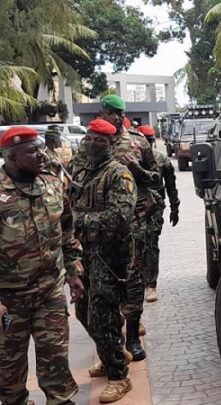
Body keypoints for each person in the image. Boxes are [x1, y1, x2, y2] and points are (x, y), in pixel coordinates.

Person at [71, 94, 160, 361]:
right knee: (101, 293)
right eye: (112, 112)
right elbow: (76, 180)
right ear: (103, 112)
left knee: (132, 283)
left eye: (120, 113)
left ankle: (132, 336)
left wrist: (139, 172)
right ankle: (114, 341)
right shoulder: (87, 145)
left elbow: (155, 178)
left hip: (133, 224)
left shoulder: (138, 141)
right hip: (96, 232)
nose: (117, 117)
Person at [0, 126, 84, 405]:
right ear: (11, 157)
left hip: (50, 291)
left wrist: (73, 272)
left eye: (39, 148)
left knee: (56, 364)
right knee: (8, 375)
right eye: (32, 151)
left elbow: (67, 230)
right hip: (9, 300)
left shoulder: (51, 184)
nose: (41, 154)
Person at [71, 119, 137, 403]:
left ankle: (119, 376)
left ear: (110, 144)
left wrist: (78, 221)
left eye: (100, 140)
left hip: (109, 256)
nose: (93, 143)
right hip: (85, 253)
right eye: (90, 138)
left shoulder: (118, 174)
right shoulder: (84, 171)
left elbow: (118, 218)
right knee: (83, 314)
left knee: (102, 317)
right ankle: (112, 352)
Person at [137, 125, 180, 302]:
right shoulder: (129, 159)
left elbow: (171, 185)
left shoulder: (162, 160)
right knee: (136, 245)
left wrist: (175, 207)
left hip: (154, 207)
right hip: (133, 208)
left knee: (151, 244)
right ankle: (137, 283)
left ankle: (150, 285)